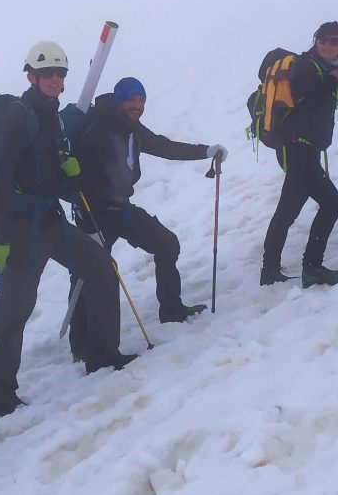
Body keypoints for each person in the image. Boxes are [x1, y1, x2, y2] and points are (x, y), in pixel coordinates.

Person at [0, 40, 134, 417]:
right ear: (32, 76)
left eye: (60, 73)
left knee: (100, 268)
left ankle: (102, 354)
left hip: (49, 219)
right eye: (47, 72)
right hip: (19, 228)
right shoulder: (18, 115)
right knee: (14, 309)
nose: (54, 78)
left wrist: (70, 177)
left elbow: (45, 173)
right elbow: (0, 178)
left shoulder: (52, 116)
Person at [66, 77, 227, 358]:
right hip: (94, 213)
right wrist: (85, 209)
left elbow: (164, 147)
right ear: (119, 100)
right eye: (131, 100)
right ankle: (80, 345)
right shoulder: (99, 129)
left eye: (141, 101)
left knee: (166, 244)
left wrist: (205, 152)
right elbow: (80, 175)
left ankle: (171, 309)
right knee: (87, 274)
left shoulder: (132, 129)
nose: (137, 106)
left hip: (120, 208)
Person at [261, 22, 338, 289]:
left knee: (287, 210)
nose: (330, 45)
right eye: (325, 40)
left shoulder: (320, 67)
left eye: (336, 41)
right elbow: (305, 104)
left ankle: (270, 270)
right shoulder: (308, 68)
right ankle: (312, 268)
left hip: (300, 149)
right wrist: (333, 80)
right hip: (298, 149)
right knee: (332, 203)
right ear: (316, 40)